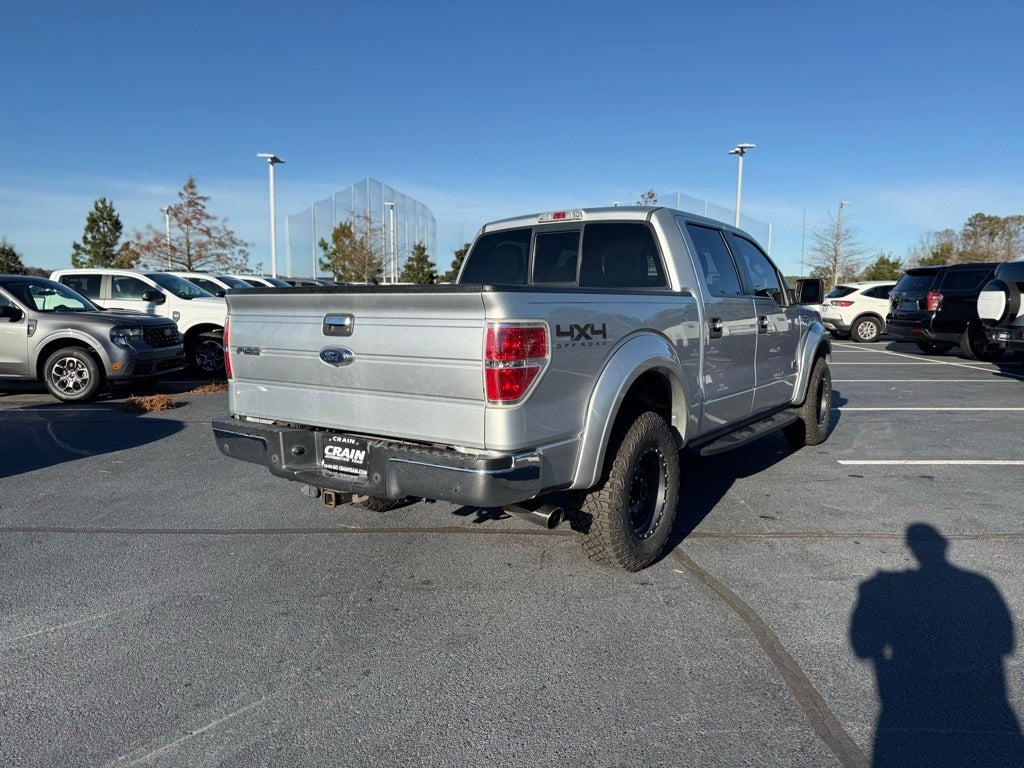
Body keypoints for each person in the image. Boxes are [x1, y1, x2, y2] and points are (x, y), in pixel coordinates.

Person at [849, 523, 1024, 767]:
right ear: (944, 546)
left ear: (911, 549)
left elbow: (863, 645)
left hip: (908, 694)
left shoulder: (891, 588)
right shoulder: (980, 585)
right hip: (979, 694)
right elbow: (1006, 642)